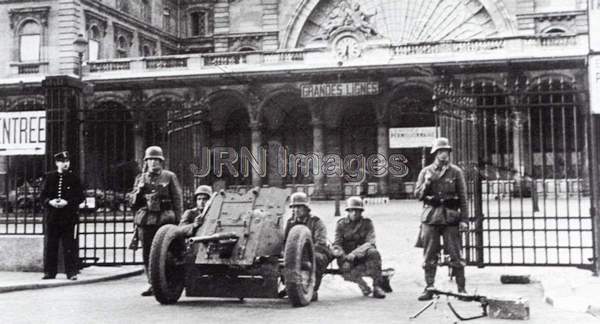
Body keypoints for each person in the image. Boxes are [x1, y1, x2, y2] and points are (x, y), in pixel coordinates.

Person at [414, 137, 469, 301]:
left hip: (450, 217)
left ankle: (461, 289)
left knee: (455, 254)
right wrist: (426, 183)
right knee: (429, 254)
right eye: (440, 151)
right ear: (435, 153)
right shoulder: (425, 172)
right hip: (431, 217)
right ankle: (429, 287)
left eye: (446, 151)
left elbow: (463, 198)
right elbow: (418, 195)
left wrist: (464, 220)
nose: (444, 154)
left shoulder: (456, 172)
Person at [129, 146, 183, 296]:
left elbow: (177, 199)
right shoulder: (141, 178)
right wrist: (139, 191)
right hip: (146, 221)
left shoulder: (169, 176)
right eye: (150, 160)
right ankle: (153, 284)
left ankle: (167, 282)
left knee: (167, 253)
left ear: (161, 161)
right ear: (146, 161)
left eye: (156, 160)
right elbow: (133, 203)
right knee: (148, 254)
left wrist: (179, 221)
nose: (153, 163)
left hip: (165, 219)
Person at [40, 151, 85, 280]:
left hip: (68, 216)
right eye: (62, 162)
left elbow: (80, 197)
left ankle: (71, 272)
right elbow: (42, 196)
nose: (65, 164)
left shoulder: (74, 178)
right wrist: (50, 202)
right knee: (51, 245)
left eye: (67, 161)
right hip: (53, 216)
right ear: (56, 163)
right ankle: (50, 272)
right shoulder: (49, 177)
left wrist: (68, 202)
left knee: (69, 245)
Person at [332, 196, 386, 299]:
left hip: (363, 257)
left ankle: (377, 287)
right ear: (348, 211)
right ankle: (362, 284)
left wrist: (354, 254)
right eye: (351, 210)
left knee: (374, 253)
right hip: (346, 258)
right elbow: (337, 244)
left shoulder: (367, 224)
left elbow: (370, 242)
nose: (354, 213)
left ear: (361, 211)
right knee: (345, 271)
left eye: (357, 210)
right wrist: (344, 257)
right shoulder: (341, 224)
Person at [283, 192, 331, 302]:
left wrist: (304, 253)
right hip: (296, 253)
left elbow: (321, 242)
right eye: (293, 207)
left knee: (317, 259)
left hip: (317, 251)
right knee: (284, 261)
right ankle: (291, 286)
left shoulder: (316, 222)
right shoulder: (290, 222)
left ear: (306, 208)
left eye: (299, 206)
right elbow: (285, 241)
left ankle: (312, 289)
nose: (296, 210)